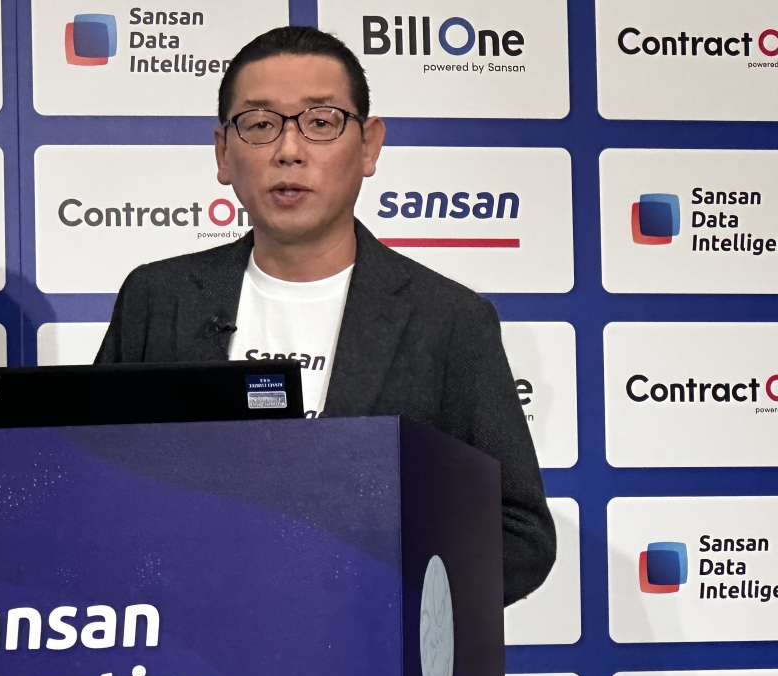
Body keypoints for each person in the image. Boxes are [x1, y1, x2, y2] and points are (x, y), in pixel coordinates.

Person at [94, 26, 555, 605]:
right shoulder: (159, 298)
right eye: (260, 123)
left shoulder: (448, 320)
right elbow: (96, 484)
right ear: (223, 153)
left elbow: (519, 533)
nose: (289, 150)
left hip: (366, 649)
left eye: (320, 121)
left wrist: (367, 588)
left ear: (369, 147)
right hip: (185, 647)